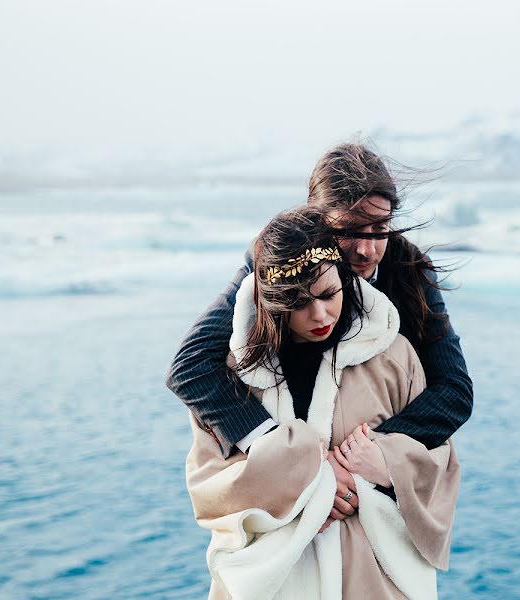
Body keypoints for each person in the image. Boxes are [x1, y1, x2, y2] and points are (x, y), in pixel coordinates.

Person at [167, 142, 473, 526]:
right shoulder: (276, 258)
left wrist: (367, 457)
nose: (366, 249)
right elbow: (190, 365)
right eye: (349, 230)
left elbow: (456, 390)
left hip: (370, 499)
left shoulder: (409, 269)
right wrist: (289, 460)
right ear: (317, 220)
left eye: (380, 229)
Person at [185, 208, 459, 598]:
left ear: (344, 279)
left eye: (330, 294)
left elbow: (440, 462)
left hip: (372, 580)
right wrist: (311, 483)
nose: (319, 314)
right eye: (298, 303)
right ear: (274, 303)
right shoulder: (236, 375)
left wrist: (383, 465)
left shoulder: (393, 357)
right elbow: (209, 483)